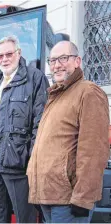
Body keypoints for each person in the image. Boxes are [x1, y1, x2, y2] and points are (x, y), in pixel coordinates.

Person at [27, 41, 110, 223]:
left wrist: (83, 197)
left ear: (77, 61)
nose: (57, 65)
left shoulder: (88, 92)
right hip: (49, 195)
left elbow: (94, 150)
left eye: (63, 58)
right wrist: (36, 189)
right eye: (53, 60)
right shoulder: (56, 95)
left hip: (69, 199)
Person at [0, 35, 50, 223]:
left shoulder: (34, 78)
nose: (4, 59)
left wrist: (29, 158)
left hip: (17, 163)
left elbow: (40, 123)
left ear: (18, 53)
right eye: (0, 56)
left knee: (25, 216)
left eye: (9, 54)